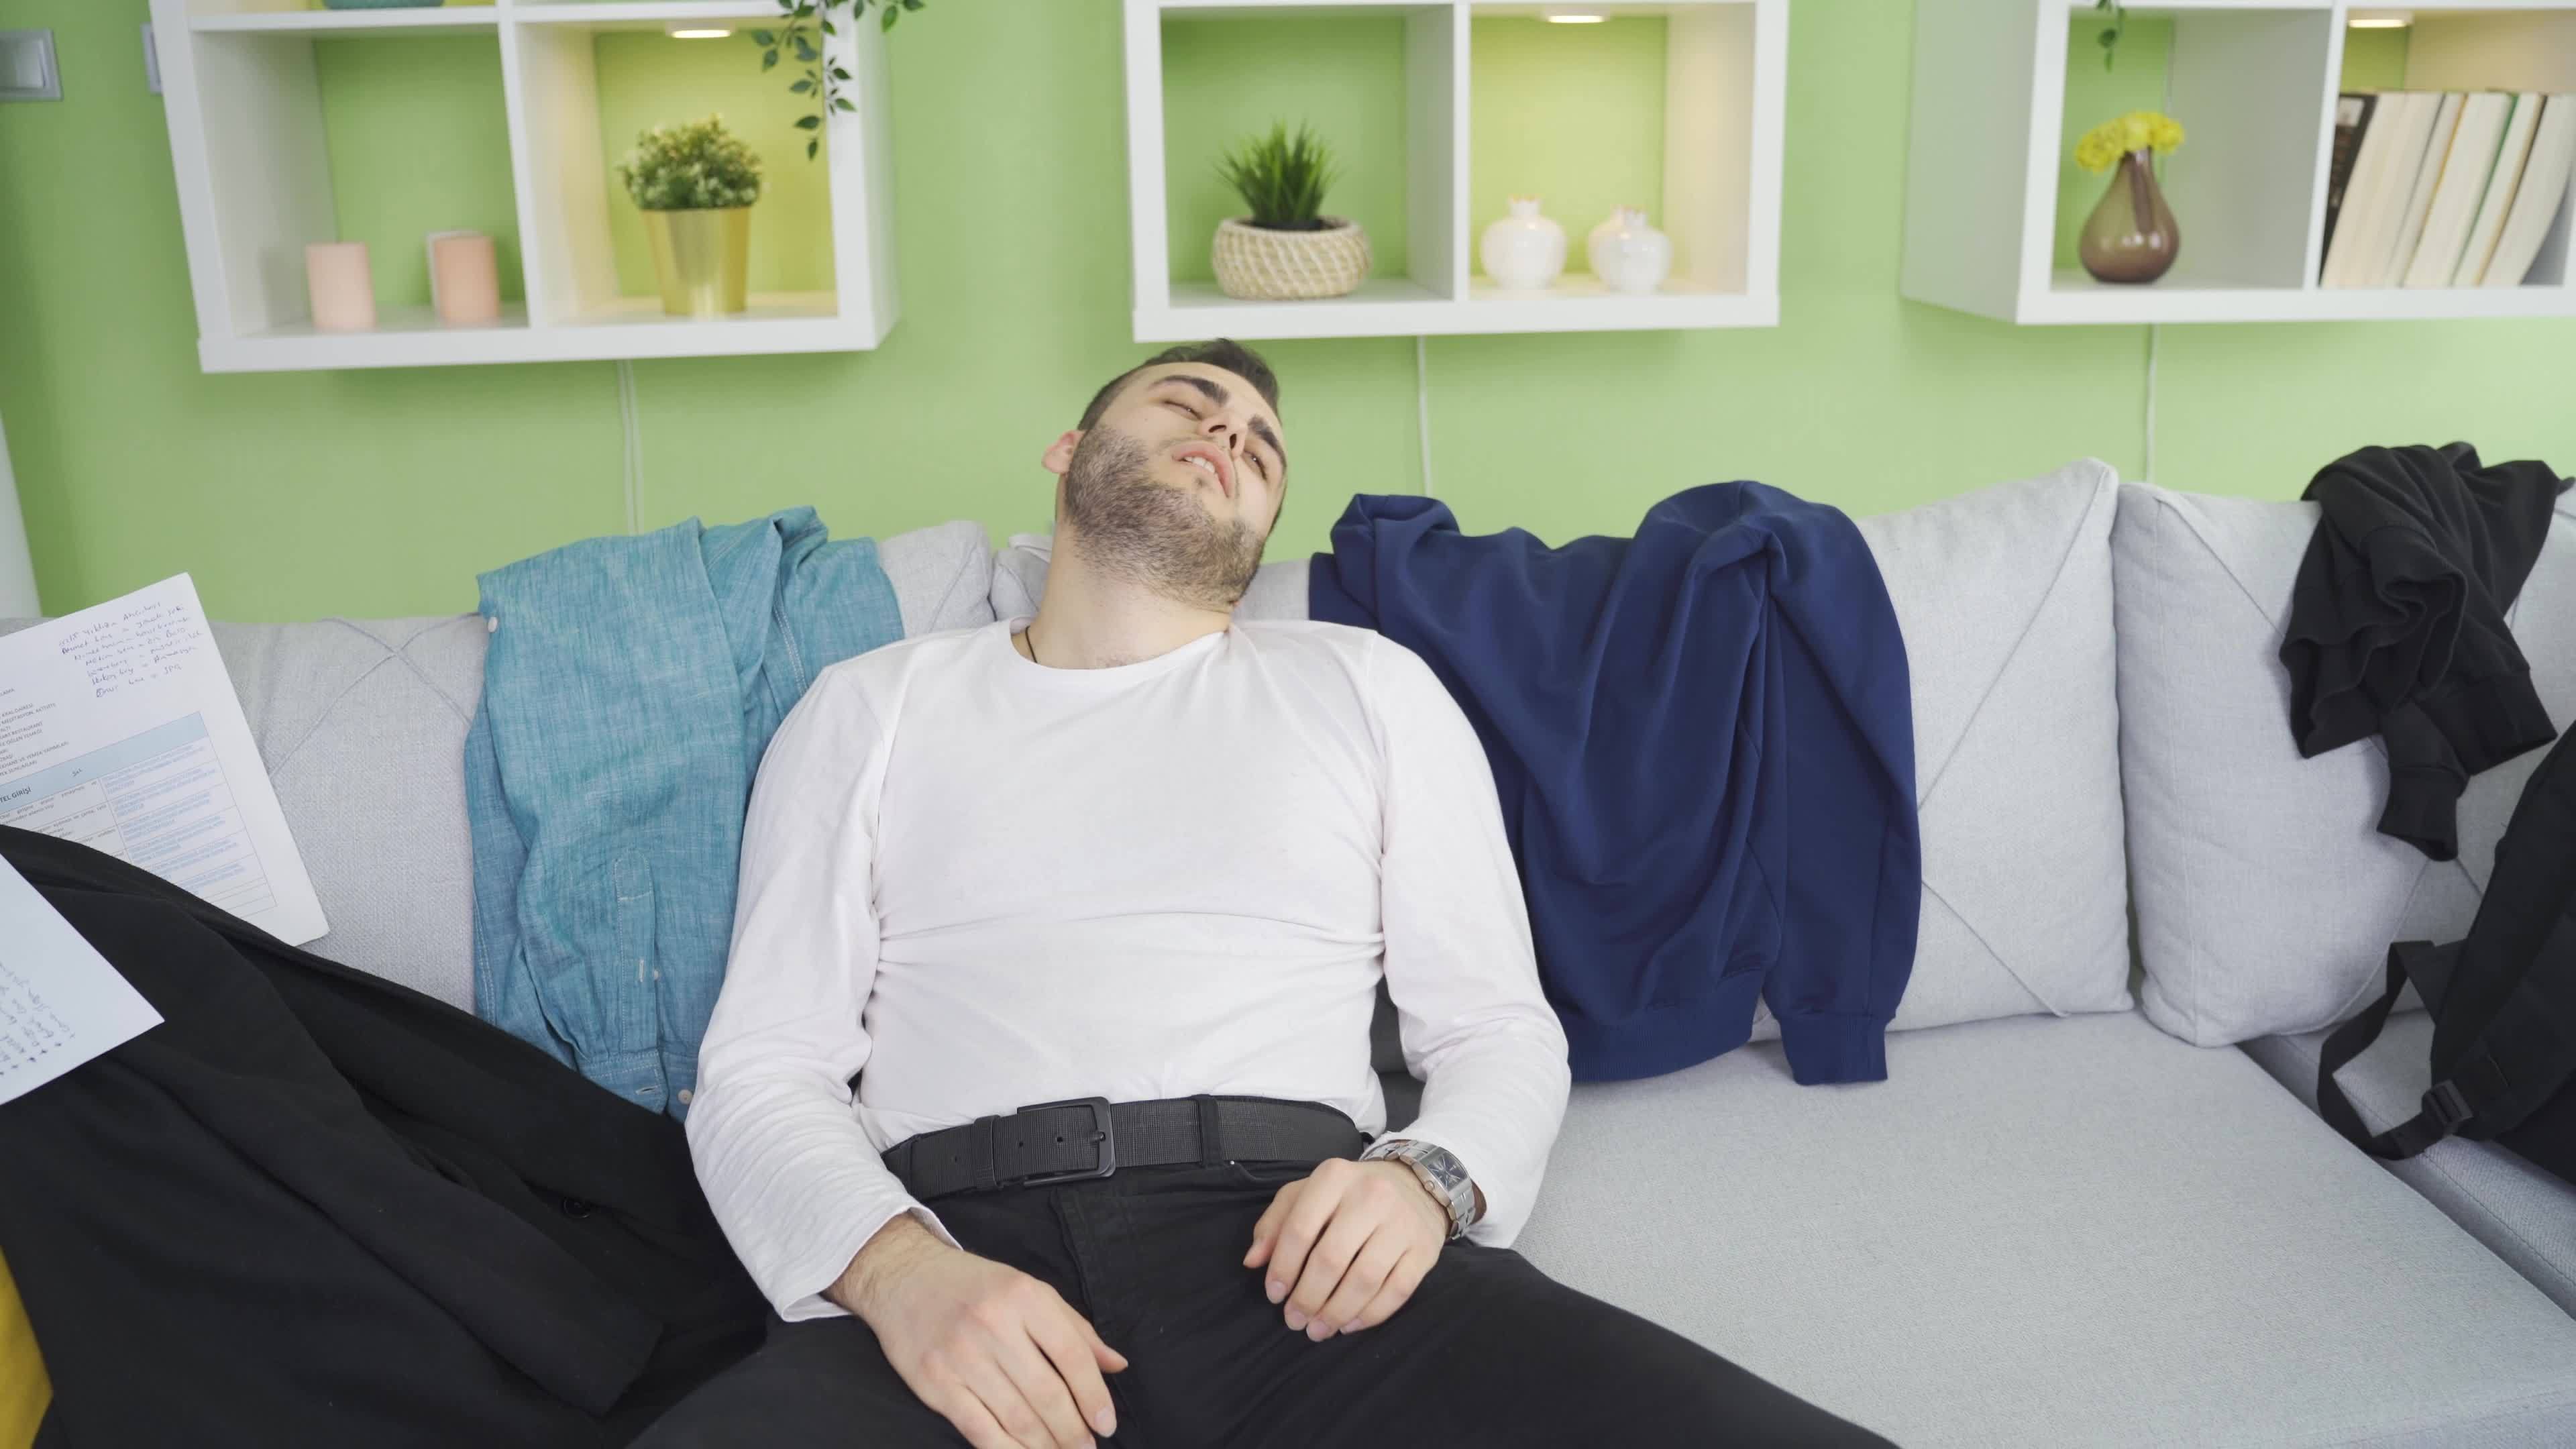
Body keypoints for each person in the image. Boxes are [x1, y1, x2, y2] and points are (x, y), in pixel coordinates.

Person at [636, 340, 1892, 1449]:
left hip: (1295, 1267)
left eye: (1261, 445)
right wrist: (899, 1278)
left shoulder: (1365, 684)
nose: (1229, 435)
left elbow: (1499, 1031)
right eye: (1189, 403)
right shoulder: (876, 702)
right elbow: (760, 1069)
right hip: (968, 1276)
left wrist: (1426, 1180)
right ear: (1071, 451)